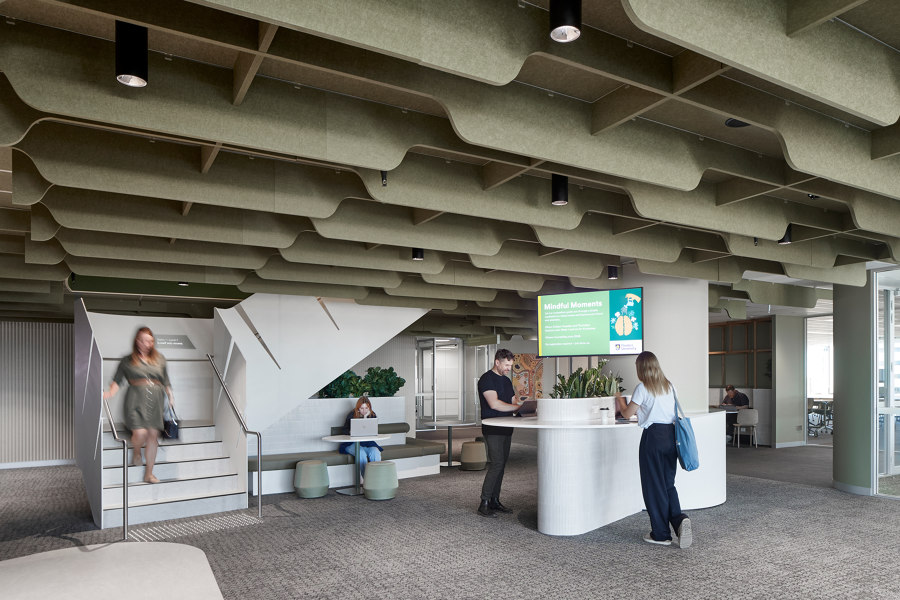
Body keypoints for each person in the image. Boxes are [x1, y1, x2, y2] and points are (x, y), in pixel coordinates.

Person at [614, 351, 692, 548]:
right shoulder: (670, 386)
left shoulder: (642, 388)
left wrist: (619, 399)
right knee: (668, 484)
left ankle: (661, 534)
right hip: (671, 438)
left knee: (653, 487)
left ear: (641, 368)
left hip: (653, 438)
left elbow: (626, 413)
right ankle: (679, 519)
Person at [103, 327, 174, 484]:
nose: (147, 344)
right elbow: (117, 381)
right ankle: (136, 451)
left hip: (155, 400)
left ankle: (149, 474)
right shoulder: (127, 360)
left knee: (153, 436)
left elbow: (166, 380)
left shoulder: (160, 359)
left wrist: (170, 395)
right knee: (140, 433)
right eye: (143, 340)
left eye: (150, 340)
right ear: (137, 341)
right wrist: (109, 393)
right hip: (135, 399)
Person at [477, 349, 525, 518]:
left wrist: (524, 411)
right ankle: (484, 503)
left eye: (510, 366)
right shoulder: (486, 379)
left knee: (502, 465)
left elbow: (512, 403)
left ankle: (494, 500)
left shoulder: (506, 381)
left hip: (506, 427)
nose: (508, 369)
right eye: (506, 365)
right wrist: (516, 408)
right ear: (497, 362)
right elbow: (495, 404)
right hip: (493, 428)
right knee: (496, 463)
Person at [339, 396, 383, 477]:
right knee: (361, 453)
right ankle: (366, 478)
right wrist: (350, 432)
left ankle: (377, 478)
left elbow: (374, 431)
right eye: (362, 408)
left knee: (375, 452)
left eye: (366, 408)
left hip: (368, 443)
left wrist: (366, 417)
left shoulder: (372, 415)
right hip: (352, 444)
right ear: (358, 407)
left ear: (369, 407)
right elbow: (343, 430)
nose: (364, 410)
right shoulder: (352, 414)